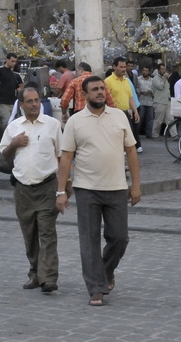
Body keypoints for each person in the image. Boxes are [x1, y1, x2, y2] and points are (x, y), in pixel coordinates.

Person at [56, 75, 141, 307]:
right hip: (87, 189)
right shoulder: (75, 121)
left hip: (116, 188)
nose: (100, 92)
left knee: (119, 238)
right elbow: (66, 157)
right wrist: (60, 191)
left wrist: (136, 185)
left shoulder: (119, 116)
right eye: (94, 89)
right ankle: (95, 288)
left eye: (102, 88)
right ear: (85, 94)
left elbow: (131, 151)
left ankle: (105, 271)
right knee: (89, 240)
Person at [0, 87, 63, 294]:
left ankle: (49, 278)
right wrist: (15, 144)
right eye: (29, 101)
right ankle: (35, 273)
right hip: (22, 188)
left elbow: (62, 157)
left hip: (47, 185)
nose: (34, 104)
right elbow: (4, 156)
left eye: (37, 100)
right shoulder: (13, 127)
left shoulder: (53, 125)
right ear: (22, 104)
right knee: (30, 234)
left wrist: (64, 187)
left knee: (47, 232)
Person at [105, 57, 142, 153]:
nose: (123, 69)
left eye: (124, 67)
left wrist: (135, 111)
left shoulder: (127, 81)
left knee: (128, 137)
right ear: (114, 67)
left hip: (126, 114)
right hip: (114, 114)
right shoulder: (108, 81)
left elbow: (130, 97)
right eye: (121, 67)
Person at [0, 53, 24, 149]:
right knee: (6, 121)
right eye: (12, 61)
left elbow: (18, 87)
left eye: (15, 62)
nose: (14, 63)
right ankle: (3, 142)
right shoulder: (0, 70)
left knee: (10, 122)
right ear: (7, 60)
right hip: (2, 101)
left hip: (12, 102)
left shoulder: (13, 74)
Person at [151, 63, 173, 138]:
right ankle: (155, 135)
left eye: (165, 69)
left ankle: (174, 135)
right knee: (158, 120)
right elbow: (160, 87)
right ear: (158, 70)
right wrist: (164, 79)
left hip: (167, 101)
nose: (164, 71)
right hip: (159, 102)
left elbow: (167, 89)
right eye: (162, 69)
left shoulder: (166, 79)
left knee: (170, 119)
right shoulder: (155, 79)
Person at [136, 65, 155, 138]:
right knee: (140, 118)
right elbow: (136, 88)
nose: (144, 72)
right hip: (141, 101)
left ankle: (149, 134)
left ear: (149, 72)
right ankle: (136, 134)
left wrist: (151, 92)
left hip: (150, 101)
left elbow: (154, 90)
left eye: (146, 71)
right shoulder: (138, 79)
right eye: (143, 70)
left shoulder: (152, 80)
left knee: (150, 119)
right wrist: (140, 92)